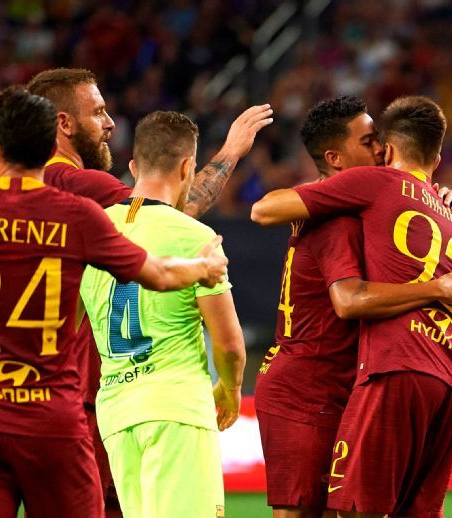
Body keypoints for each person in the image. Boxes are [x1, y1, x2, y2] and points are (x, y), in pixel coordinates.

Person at [0, 88, 227, 518]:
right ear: (50, 144)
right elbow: (157, 273)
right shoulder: (76, 215)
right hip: (51, 419)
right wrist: (203, 267)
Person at [26, 67, 271, 516]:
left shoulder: (28, 191)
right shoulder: (83, 188)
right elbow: (164, 213)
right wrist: (231, 152)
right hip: (138, 398)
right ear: (64, 123)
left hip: (97, 399)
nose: (109, 123)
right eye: (97, 112)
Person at [253, 96, 452, 518]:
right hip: (308, 386)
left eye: (380, 141)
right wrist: (435, 288)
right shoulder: (341, 213)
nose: (380, 149)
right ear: (335, 158)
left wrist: (428, 191)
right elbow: (347, 299)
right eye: (368, 141)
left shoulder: (374, 200)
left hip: (360, 377)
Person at [78, 111, 247, 518]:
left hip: (116, 412)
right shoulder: (195, 237)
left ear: (134, 167)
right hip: (176, 409)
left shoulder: (92, 231)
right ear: (188, 167)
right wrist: (231, 388)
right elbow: (229, 345)